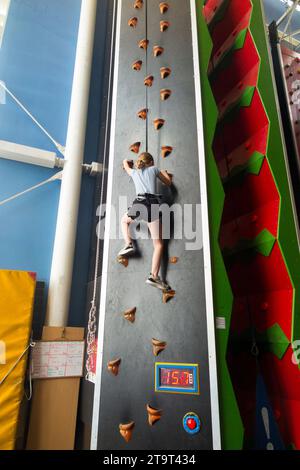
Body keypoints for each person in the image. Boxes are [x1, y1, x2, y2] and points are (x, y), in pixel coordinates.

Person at [118, 152, 172, 290]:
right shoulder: (154, 169)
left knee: (124, 221)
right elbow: (168, 183)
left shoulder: (134, 173)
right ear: (151, 162)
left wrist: (127, 161)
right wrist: (164, 173)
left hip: (138, 203)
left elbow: (124, 162)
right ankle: (154, 276)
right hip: (151, 205)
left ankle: (128, 244)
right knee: (158, 244)